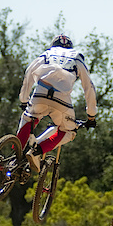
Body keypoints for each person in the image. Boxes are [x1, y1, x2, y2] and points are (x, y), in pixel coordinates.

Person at [16, 34, 97, 172]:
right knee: (68, 131)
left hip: (40, 92)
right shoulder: (76, 56)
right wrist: (91, 115)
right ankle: (36, 152)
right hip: (61, 99)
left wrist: (24, 99)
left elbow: (29, 72)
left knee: (28, 118)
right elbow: (88, 86)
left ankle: (14, 156)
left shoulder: (47, 53)